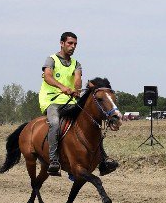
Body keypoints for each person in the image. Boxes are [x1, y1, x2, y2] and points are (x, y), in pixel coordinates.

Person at [39, 31, 118, 177]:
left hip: (70, 101)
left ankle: (103, 160)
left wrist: (76, 89)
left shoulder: (76, 64)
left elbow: (77, 78)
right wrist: (62, 87)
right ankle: (54, 160)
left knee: (92, 123)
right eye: (70, 43)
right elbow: (48, 77)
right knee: (55, 124)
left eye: (75, 44)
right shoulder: (51, 60)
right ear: (62, 43)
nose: (73, 46)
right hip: (51, 101)